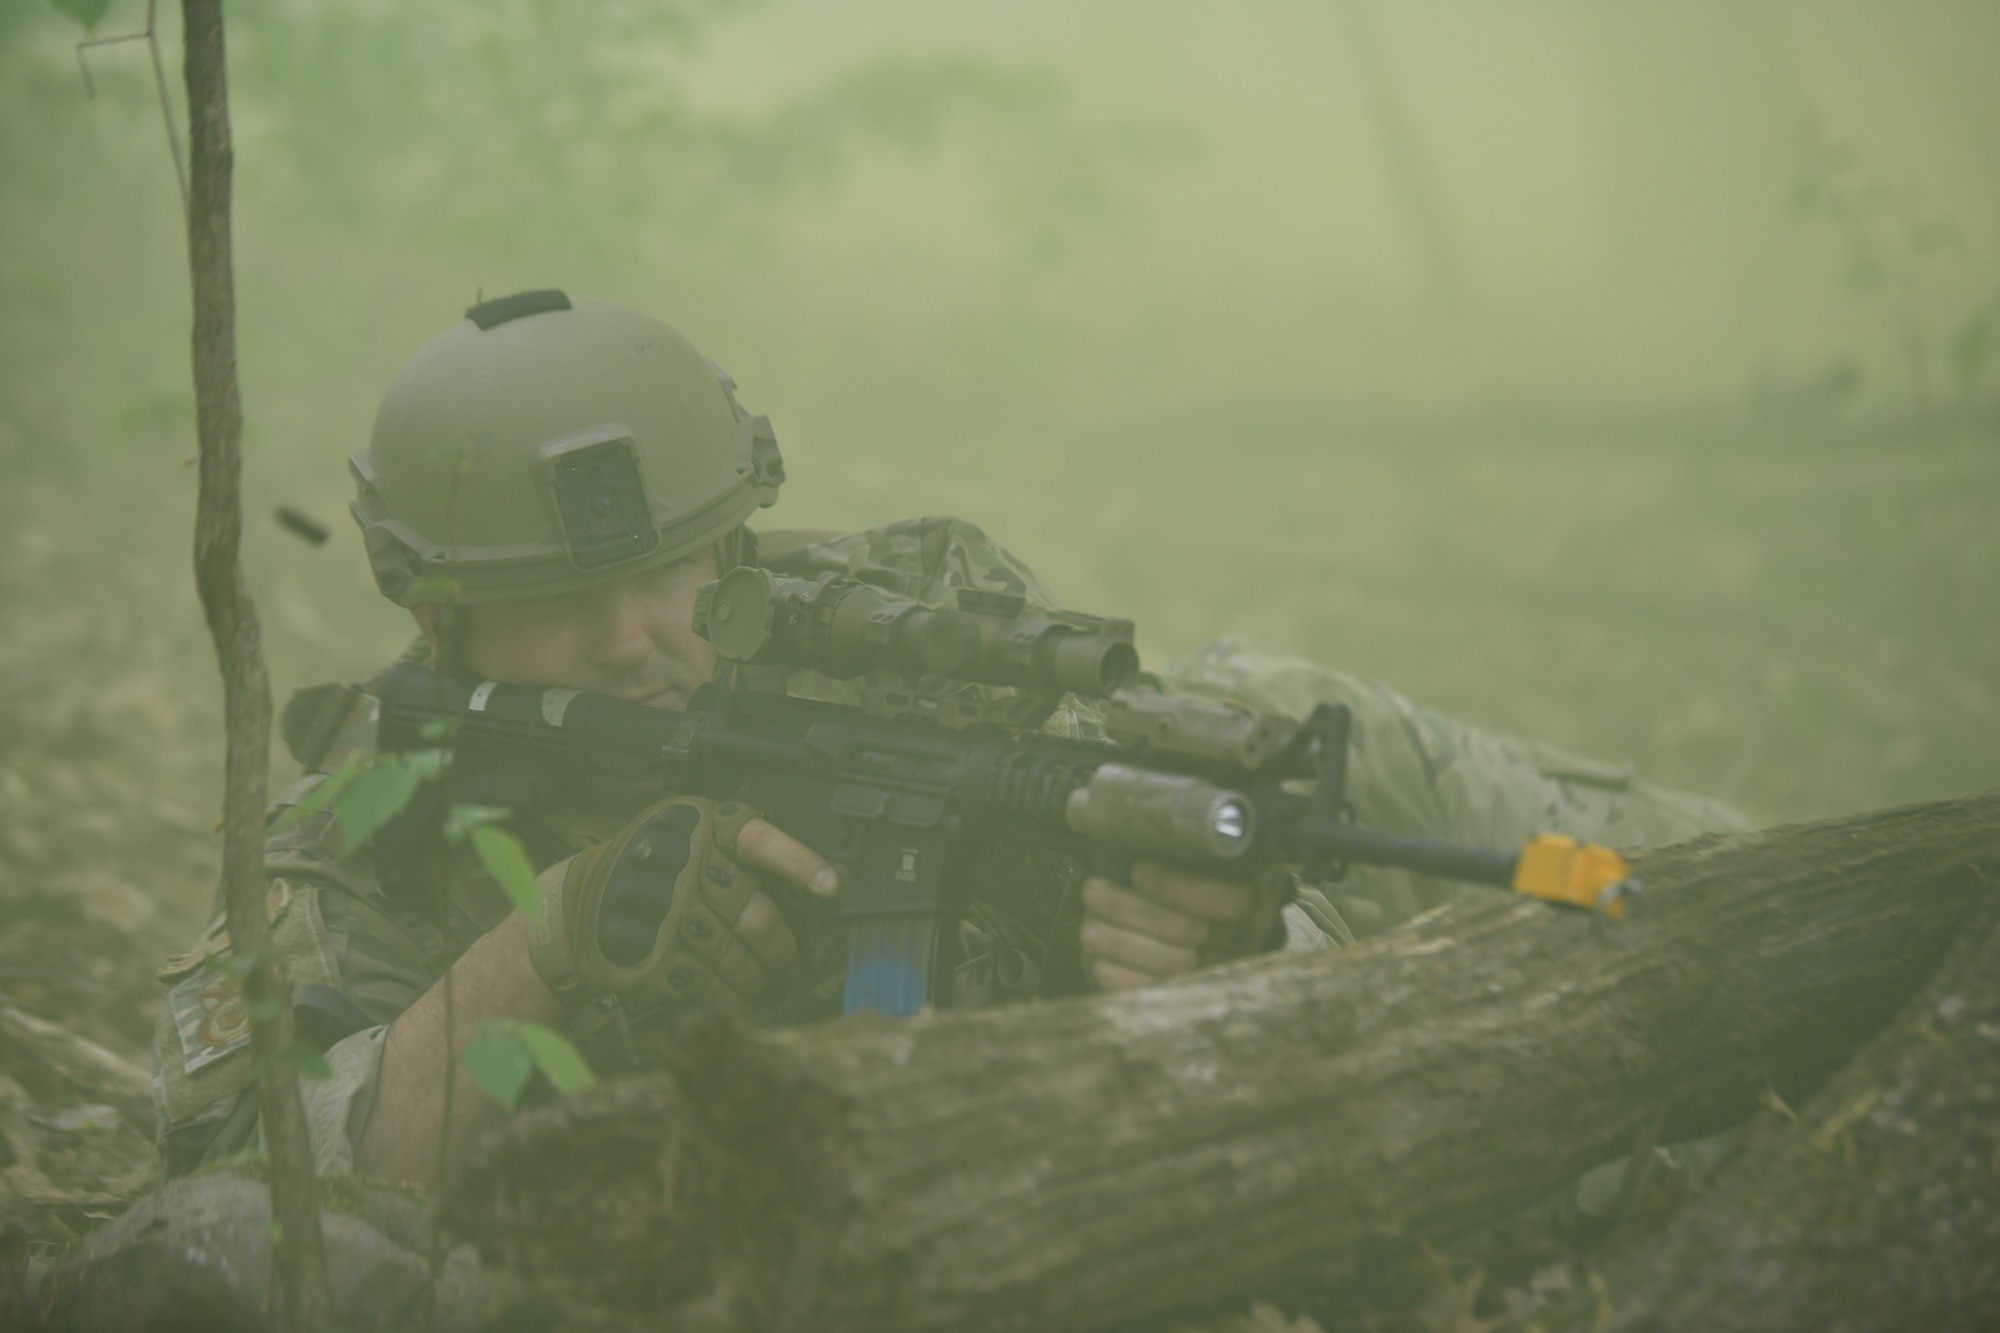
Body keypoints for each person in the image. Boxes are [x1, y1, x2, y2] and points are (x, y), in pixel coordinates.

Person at [151, 291, 1750, 1188]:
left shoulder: (893, 633)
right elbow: (227, 1212)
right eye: (570, 603)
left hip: (1334, 796)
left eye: (675, 572)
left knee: (1295, 710)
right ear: (439, 620)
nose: (640, 638)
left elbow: (1174, 840)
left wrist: (1231, 959)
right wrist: (536, 956)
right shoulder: (357, 829)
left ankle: (1735, 879)